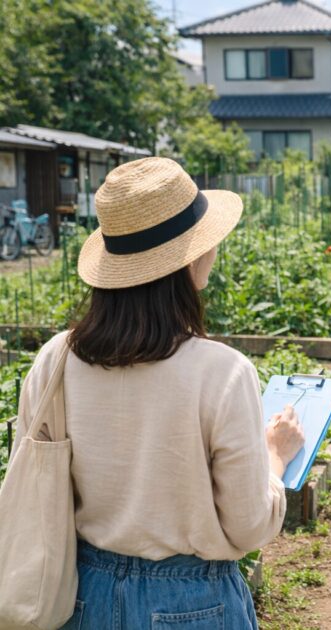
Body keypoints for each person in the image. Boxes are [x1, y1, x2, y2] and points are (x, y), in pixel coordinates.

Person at [10, 157, 304, 629]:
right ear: (190, 257)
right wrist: (275, 457)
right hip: (193, 602)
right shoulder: (222, 371)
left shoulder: (55, 360)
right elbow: (248, 526)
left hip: (78, 595)